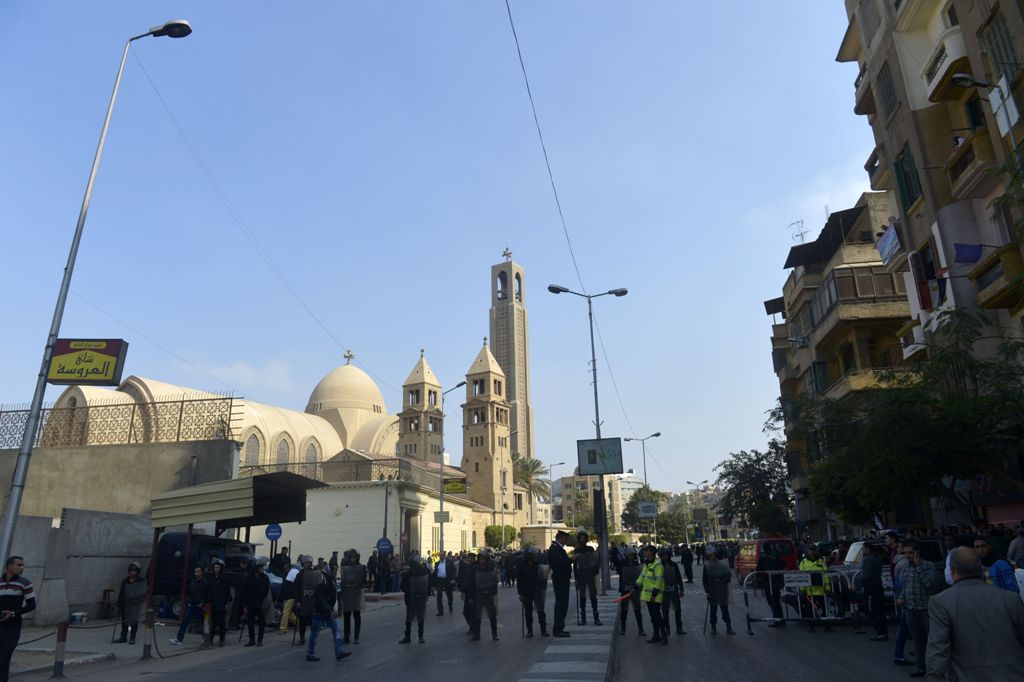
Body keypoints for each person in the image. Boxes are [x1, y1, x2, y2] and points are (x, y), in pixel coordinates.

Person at [927, 547, 1024, 680]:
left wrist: (934, 677)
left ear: (953, 570)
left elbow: (938, 649)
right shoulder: (1010, 598)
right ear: (981, 569)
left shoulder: (941, 602)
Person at [897, 539, 940, 678]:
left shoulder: (929, 566)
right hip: (910, 608)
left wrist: (918, 566)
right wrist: (901, 597)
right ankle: (921, 667)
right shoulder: (908, 567)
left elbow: (929, 584)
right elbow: (907, 586)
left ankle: (935, 667)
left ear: (917, 552)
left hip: (925, 609)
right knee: (917, 640)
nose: (907, 556)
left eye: (910, 553)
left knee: (932, 639)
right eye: (905, 553)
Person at [305, 562, 350, 662]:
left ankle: (339, 652)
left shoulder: (331, 580)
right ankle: (309, 654)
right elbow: (320, 599)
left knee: (337, 629)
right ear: (329, 570)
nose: (336, 572)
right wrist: (330, 610)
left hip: (328, 612)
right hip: (320, 612)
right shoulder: (322, 582)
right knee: (314, 633)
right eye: (335, 570)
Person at [0, 556, 35, 681]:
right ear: (9, 566)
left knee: (3, 660)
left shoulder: (25, 583)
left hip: (12, 628)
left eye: (22, 565)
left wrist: (13, 613)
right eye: (19, 565)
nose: (22, 568)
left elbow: (31, 605)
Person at [635, 545, 667, 645]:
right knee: (653, 617)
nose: (645, 552)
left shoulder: (658, 565)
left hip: (655, 596)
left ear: (652, 552)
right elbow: (642, 576)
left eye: (647, 551)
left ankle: (664, 637)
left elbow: (659, 581)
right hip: (648, 596)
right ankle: (656, 636)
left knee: (657, 617)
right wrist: (636, 585)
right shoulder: (647, 564)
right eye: (644, 551)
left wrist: (654, 594)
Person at [169, 566, 206, 646]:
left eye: (198, 572)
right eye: (195, 571)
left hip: (200, 605)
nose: (196, 573)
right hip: (192, 604)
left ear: (202, 573)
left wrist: (203, 603)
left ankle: (205, 638)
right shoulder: (193, 582)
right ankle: (179, 639)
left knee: (203, 621)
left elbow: (207, 594)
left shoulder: (204, 583)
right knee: (185, 620)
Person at [517, 546, 549, 637]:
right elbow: (519, 580)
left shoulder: (538, 565)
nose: (536, 556)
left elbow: (543, 577)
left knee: (540, 611)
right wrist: (520, 593)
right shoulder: (522, 566)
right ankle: (529, 631)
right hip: (526, 592)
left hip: (537, 591)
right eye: (534, 555)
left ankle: (543, 629)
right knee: (528, 612)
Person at [702, 546, 734, 635]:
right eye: (710, 555)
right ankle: (713, 627)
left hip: (722, 589)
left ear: (716, 554)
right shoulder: (707, 566)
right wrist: (707, 591)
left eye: (713, 555)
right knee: (713, 610)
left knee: (725, 610)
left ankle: (728, 627)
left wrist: (721, 580)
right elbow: (704, 580)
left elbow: (728, 576)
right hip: (712, 590)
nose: (712, 557)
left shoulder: (722, 564)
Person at [798, 544, 831, 629]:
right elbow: (802, 576)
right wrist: (802, 590)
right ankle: (811, 626)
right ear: (808, 551)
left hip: (821, 590)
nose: (812, 552)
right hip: (809, 591)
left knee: (825, 609)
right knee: (809, 610)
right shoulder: (803, 562)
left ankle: (827, 626)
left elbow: (825, 575)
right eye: (810, 550)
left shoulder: (821, 561)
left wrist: (827, 587)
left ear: (816, 551)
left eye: (813, 550)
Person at [469, 550, 499, 641]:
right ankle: (476, 634)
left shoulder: (490, 568)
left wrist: (493, 591)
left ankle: (494, 634)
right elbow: (471, 583)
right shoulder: (475, 568)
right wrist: (471, 596)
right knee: (477, 616)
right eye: (480, 559)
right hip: (478, 594)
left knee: (492, 615)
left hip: (489, 594)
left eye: (484, 559)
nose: (482, 560)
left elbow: (494, 581)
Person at [399, 554, 430, 644]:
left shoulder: (423, 572)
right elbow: (402, 586)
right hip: (412, 599)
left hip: (419, 598)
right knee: (411, 618)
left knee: (418, 617)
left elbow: (428, 583)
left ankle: (418, 636)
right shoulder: (408, 574)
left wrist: (426, 594)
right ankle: (410, 636)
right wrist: (411, 592)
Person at [572, 530, 601, 625]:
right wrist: (576, 578)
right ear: (579, 539)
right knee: (582, 596)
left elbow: (595, 562)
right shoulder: (577, 550)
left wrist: (595, 572)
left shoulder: (590, 549)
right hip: (581, 574)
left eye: (584, 538)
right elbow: (575, 566)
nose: (582, 540)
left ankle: (596, 618)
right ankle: (583, 619)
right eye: (581, 538)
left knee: (593, 596)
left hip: (591, 574)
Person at [860, 543, 888, 641]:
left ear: (867, 549)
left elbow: (868, 574)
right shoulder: (878, 557)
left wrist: (861, 579)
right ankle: (883, 632)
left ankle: (880, 633)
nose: (862, 550)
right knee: (880, 610)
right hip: (878, 585)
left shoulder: (868, 559)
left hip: (870, 586)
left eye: (863, 548)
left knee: (872, 611)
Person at [337, 549, 366, 645]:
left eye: (355, 557)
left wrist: (358, 585)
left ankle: (356, 637)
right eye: (352, 557)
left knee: (357, 616)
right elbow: (343, 579)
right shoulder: (345, 567)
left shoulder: (361, 567)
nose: (353, 559)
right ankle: (346, 636)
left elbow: (363, 581)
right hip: (347, 593)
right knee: (346, 616)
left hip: (357, 593)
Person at [115, 562, 146, 644]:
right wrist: (119, 604)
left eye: (134, 571)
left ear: (137, 572)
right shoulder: (125, 581)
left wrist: (138, 600)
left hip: (135, 604)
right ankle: (123, 636)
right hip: (126, 604)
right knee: (124, 621)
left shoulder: (140, 581)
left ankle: (132, 637)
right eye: (131, 570)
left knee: (133, 621)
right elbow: (121, 593)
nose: (132, 572)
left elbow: (142, 592)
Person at [549, 530, 572, 638]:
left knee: (563, 604)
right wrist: (572, 560)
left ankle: (560, 628)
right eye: (565, 539)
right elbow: (560, 563)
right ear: (561, 538)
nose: (566, 541)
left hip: (562, 579)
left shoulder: (558, 548)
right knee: (561, 605)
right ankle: (558, 629)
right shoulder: (555, 549)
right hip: (560, 580)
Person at [755, 545, 785, 627]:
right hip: (776, 582)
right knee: (777, 601)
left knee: (772, 602)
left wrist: (759, 577)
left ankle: (777, 620)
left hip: (768, 582)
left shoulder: (762, 558)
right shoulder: (775, 556)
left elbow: (758, 570)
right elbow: (784, 564)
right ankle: (781, 619)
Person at [618, 547, 645, 636]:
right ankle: (623, 629)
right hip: (625, 589)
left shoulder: (637, 564)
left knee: (637, 609)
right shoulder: (623, 564)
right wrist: (622, 588)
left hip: (635, 589)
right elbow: (621, 578)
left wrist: (638, 586)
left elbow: (640, 576)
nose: (631, 557)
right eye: (630, 555)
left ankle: (641, 629)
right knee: (624, 610)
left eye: (633, 555)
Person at [243, 558, 270, 647]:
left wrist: (265, 601)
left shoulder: (265, 577)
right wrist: (245, 605)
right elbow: (245, 592)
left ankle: (259, 640)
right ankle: (252, 640)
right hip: (251, 604)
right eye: (260, 567)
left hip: (261, 604)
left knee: (261, 623)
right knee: (250, 623)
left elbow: (267, 590)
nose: (262, 569)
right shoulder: (249, 578)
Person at [658, 547, 684, 637]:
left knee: (677, 610)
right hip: (664, 592)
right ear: (661, 556)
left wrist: (681, 589)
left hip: (674, 590)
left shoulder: (674, 565)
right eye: (663, 555)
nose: (665, 557)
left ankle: (679, 628)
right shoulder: (659, 566)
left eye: (666, 555)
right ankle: (667, 628)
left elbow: (679, 578)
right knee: (665, 611)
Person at [295, 555, 319, 645]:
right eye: (306, 563)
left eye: (309, 563)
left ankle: (313, 638)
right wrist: (298, 601)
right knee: (302, 622)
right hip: (303, 600)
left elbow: (318, 586)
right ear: (303, 564)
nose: (308, 564)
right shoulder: (300, 574)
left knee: (313, 621)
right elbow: (296, 589)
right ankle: (302, 638)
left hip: (312, 600)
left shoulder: (314, 573)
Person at [206, 559, 230, 647]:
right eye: (215, 567)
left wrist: (227, 603)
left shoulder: (224, 578)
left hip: (221, 604)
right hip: (212, 603)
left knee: (221, 623)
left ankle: (222, 639)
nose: (216, 569)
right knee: (212, 623)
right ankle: (210, 639)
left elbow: (227, 591)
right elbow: (208, 590)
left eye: (218, 567)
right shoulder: (211, 578)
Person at [278, 558, 300, 634]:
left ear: (288, 568)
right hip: (287, 596)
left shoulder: (290, 574)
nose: (284, 569)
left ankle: (283, 628)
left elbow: (288, 586)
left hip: (290, 596)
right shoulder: (290, 574)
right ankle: (299, 624)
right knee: (289, 613)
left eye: (285, 568)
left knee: (285, 612)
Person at [457, 551, 476, 634]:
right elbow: (465, 580)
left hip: (473, 593)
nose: (470, 560)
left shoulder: (475, 567)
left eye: (471, 558)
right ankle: (472, 627)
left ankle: (473, 629)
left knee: (472, 612)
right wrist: (463, 592)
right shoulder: (467, 566)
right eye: (469, 558)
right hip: (467, 592)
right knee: (466, 612)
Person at [434, 551, 457, 616]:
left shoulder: (449, 562)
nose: (441, 556)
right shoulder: (437, 563)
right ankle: (440, 611)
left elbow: (454, 571)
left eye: (442, 555)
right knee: (439, 595)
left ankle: (450, 605)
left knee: (449, 595)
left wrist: (453, 579)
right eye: (440, 555)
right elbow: (435, 572)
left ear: (444, 556)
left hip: (447, 581)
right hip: (439, 581)